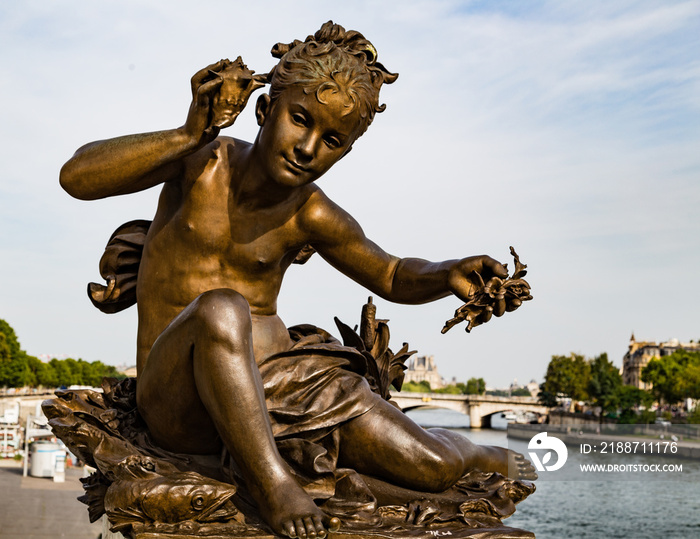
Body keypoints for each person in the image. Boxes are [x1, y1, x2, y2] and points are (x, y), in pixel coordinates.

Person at [60, 22, 535, 539]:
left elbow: (392, 273)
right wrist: (186, 134)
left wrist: (446, 273)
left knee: (430, 467)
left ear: (344, 152)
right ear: (266, 112)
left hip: (284, 385)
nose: (308, 147)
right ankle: (273, 484)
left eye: (331, 140)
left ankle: (484, 450)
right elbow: (76, 177)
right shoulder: (201, 162)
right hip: (178, 400)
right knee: (222, 307)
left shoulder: (311, 213)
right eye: (300, 120)